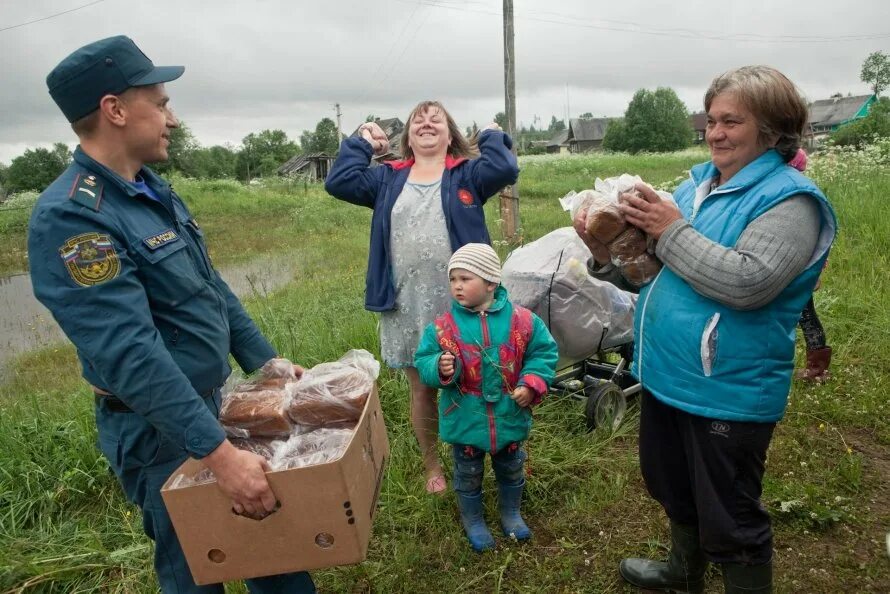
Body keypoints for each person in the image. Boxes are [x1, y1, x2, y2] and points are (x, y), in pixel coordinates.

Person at [28, 36, 315, 593]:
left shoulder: (151, 189)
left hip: (214, 401)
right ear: (114, 110)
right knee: (197, 568)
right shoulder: (71, 219)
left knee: (272, 545)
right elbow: (131, 355)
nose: (172, 119)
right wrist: (220, 456)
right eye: (159, 104)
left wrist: (265, 360)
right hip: (159, 432)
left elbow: (209, 287)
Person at [573, 66, 836, 593]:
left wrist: (670, 228)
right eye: (712, 120)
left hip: (727, 389)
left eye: (731, 121)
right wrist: (606, 252)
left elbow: (748, 282)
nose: (714, 132)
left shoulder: (790, 202)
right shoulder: (694, 188)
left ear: (771, 129)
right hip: (668, 375)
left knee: (731, 515)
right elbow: (646, 273)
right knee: (673, 484)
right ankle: (681, 570)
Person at [325, 101, 519, 495]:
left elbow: (505, 168)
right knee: (423, 388)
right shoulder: (386, 179)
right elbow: (339, 181)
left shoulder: (468, 174)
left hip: (465, 302)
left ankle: (489, 455)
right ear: (408, 136)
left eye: (437, 120)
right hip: (406, 303)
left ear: (451, 135)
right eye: (419, 119)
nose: (427, 123)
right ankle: (433, 464)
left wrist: (493, 134)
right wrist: (364, 142)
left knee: (481, 381)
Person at [413, 243, 558, 551]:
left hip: (509, 414)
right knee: (467, 473)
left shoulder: (523, 321)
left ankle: (511, 513)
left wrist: (531, 384)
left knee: (511, 466)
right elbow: (423, 359)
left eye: (466, 278)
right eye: (453, 279)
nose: (457, 286)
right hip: (465, 417)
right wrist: (438, 365)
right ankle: (474, 520)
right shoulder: (443, 328)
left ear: (491, 282)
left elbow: (543, 353)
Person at [788, 149, 833, 383]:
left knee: (806, 317)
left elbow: (822, 241)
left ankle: (817, 370)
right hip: (788, 270)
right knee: (799, 317)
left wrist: (816, 272)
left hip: (802, 272)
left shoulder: (804, 196)